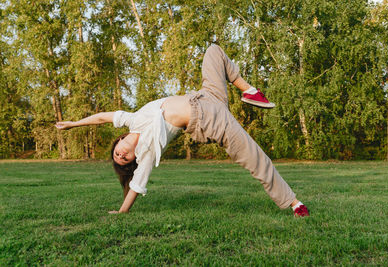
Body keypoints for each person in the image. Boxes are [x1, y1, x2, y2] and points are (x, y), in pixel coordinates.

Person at [56, 44, 310, 217]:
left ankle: (249, 91)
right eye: (124, 159)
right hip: (209, 122)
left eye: (117, 153)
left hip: (206, 96)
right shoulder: (147, 153)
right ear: (133, 158)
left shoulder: (131, 120)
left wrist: (73, 123)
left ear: (120, 140)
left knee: (213, 51)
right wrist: (122, 211)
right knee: (256, 159)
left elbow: (102, 117)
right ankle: (293, 202)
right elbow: (136, 185)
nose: (121, 156)